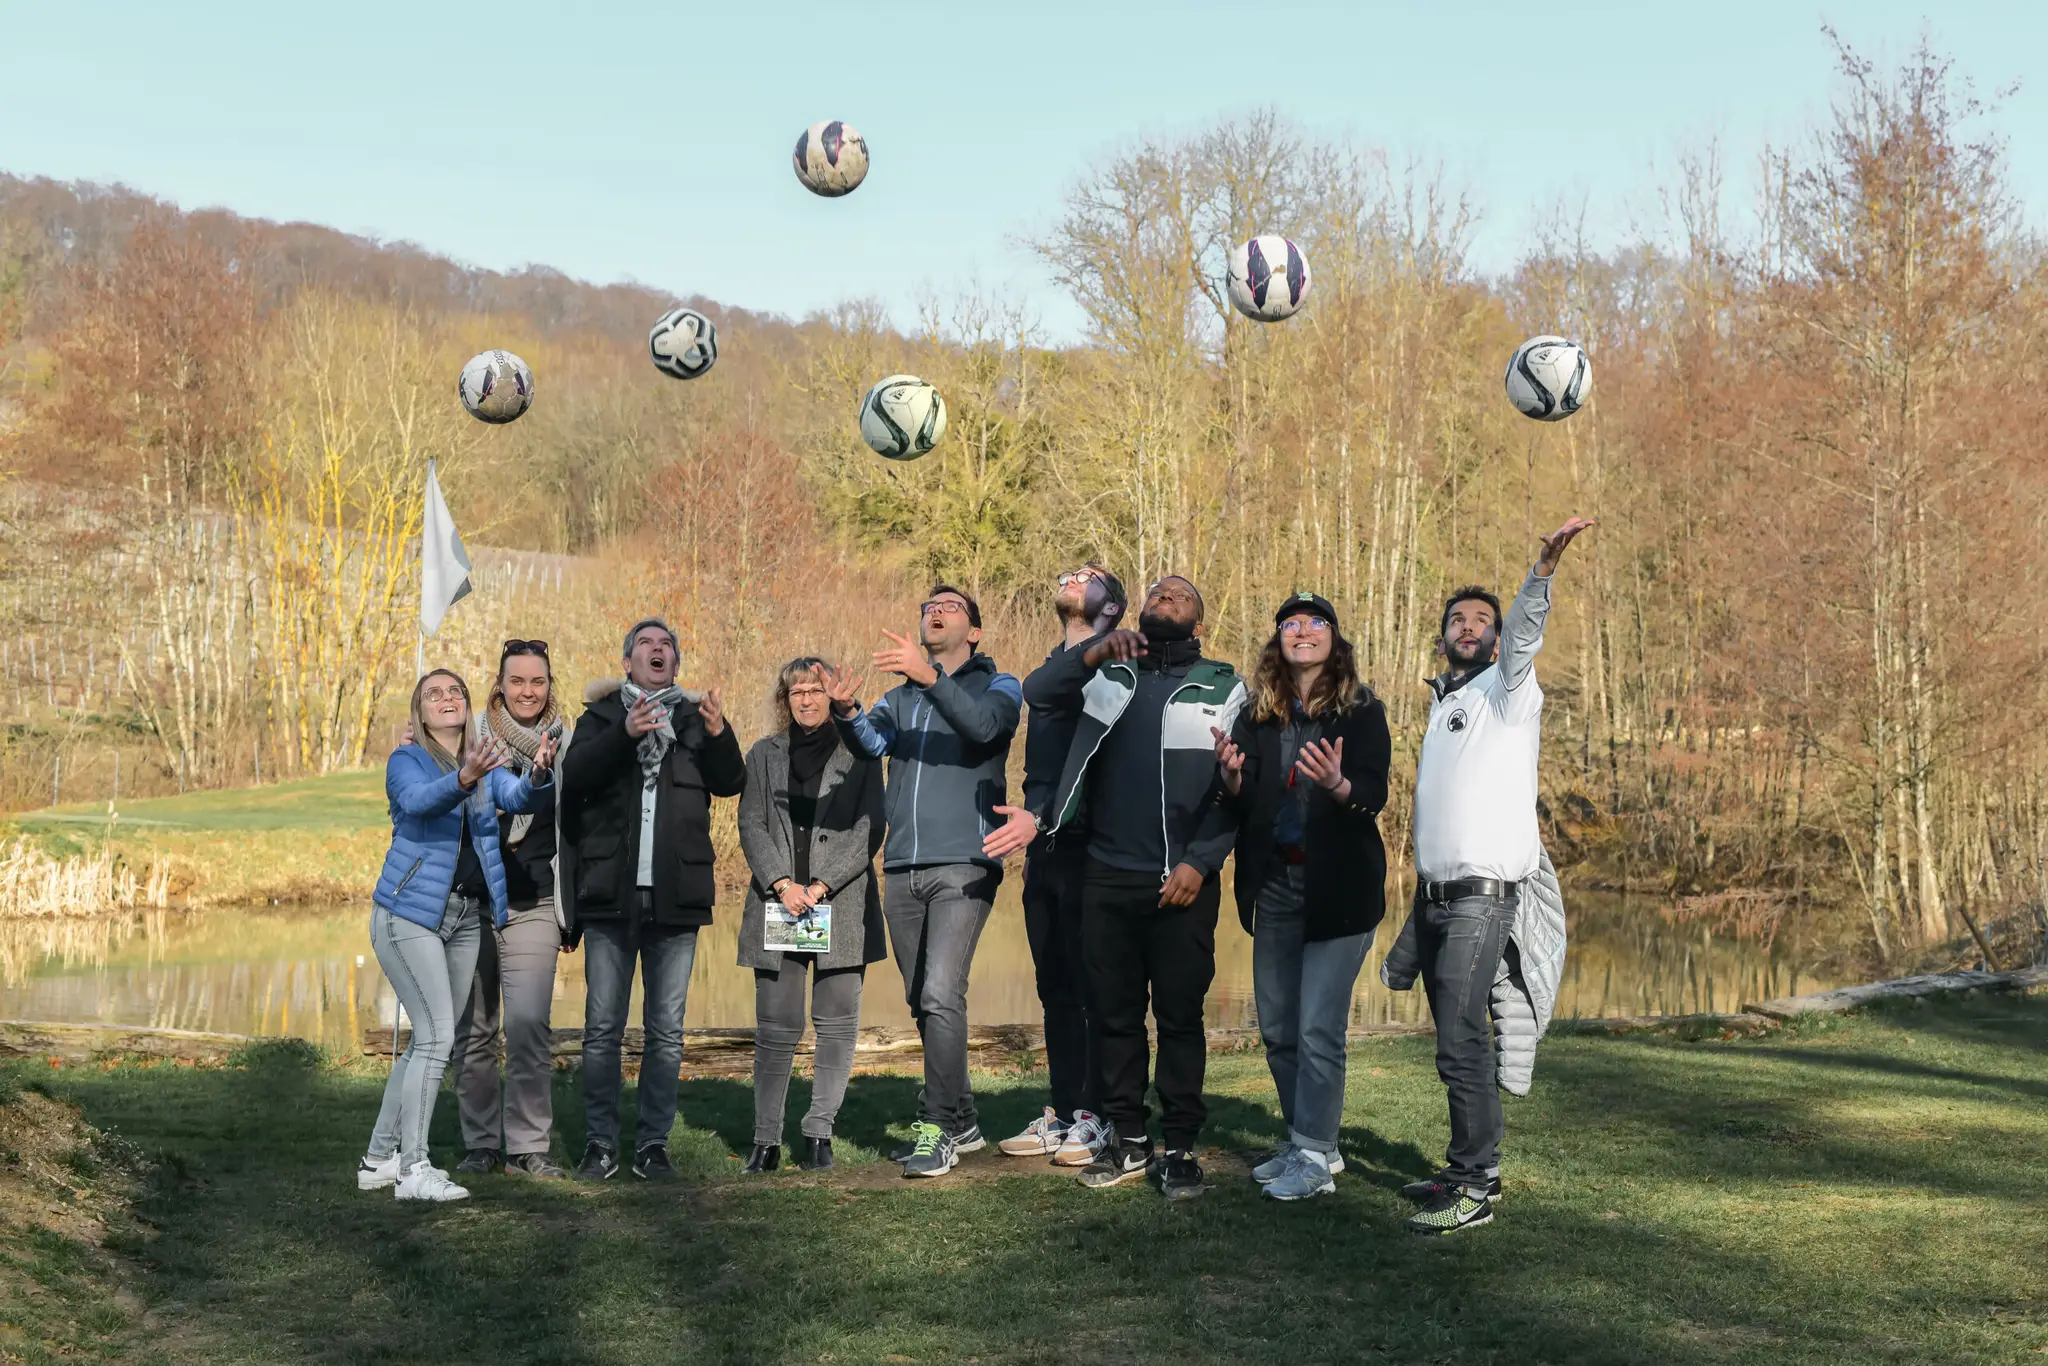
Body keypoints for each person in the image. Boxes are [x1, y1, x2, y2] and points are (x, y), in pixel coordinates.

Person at [1394, 516, 1593, 1235]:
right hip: (1437, 899)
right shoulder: (1447, 702)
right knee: (1452, 1036)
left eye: (1483, 619)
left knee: (1461, 1039)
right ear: (1443, 634)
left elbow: (1528, 635)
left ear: (1500, 638)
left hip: (1482, 902)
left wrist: (1540, 573)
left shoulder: (1511, 694)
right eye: (1458, 618)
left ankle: (1478, 1182)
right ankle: (1461, 1164)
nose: (1468, 626)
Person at [1030, 575, 1244, 1201]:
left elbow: (1236, 794)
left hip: (1183, 882)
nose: (1166, 600)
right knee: (1115, 1017)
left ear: (1198, 624)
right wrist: (1094, 651)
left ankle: (1178, 1147)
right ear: (1139, 614)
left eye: (1181, 597)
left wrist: (1200, 863)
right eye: (1157, 595)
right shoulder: (1106, 676)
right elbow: (1040, 693)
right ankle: (1128, 1139)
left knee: (1179, 1019)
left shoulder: (1225, 688)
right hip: (1106, 873)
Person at [825, 585, 1022, 1179]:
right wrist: (847, 712)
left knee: (940, 993)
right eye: (928, 607)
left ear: (976, 632)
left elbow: (985, 730)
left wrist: (931, 679)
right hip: (903, 866)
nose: (935, 613)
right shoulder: (899, 696)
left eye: (950, 608)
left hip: (965, 861)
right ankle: (961, 1119)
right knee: (923, 1001)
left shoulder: (1000, 685)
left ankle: (935, 1127)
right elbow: (871, 744)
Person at [1214, 593, 1391, 1201]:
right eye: (1291, 624)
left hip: (1340, 890)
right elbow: (1243, 799)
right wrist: (1233, 778)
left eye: (1315, 623)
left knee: (1319, 1027)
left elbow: (1373, 794)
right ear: (1278, 642)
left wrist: (1340, 786)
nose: (1303, 631)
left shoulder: (1363, 712)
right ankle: (1307, 1140)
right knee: (1280, 1028)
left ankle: (1314, 1159)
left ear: (1334, 640)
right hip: (1277, 885)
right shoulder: (1260, 714)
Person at [356, 669, 554, 1203]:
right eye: (434, 694)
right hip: (410, 916)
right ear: (419, 713)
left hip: (468, 918)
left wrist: (536, 775)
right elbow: (419, 802)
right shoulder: (406, 761)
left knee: (426, 1039)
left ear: (468, 705)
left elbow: (519, 798)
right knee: (440, 1036)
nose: (446, 699)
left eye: (455, 693)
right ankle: (413, 1169)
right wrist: (463, 779)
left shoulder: (486, 759)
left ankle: (378, 1158)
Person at [558, 618, 743, 1183]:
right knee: (601, 1028)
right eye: (646, 645)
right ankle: (600, 1144)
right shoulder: (601, 719)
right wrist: (626, 734)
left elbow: (731, 780)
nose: (657, 651)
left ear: (676, 664)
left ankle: (653, 1146)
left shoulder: (694, 719)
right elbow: (576, 774)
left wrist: (718, 733)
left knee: (666, 1031)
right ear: (627, 662)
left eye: (666, 646)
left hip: (676, 897)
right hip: (609, 895)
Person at [983, 563, 1126, 1167]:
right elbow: (1042, 690)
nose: (1071, 577)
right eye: (1067, 572)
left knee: (1097, 989)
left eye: (1088, 575)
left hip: (1093, 843)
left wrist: (1042, 814)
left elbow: (1099, 764)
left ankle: (1103, 1116)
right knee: (1055, 987)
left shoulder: (1118, 667)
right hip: (1042, 846)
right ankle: (1067, 1112)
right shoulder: (1054, 664)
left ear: (1112, 608)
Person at [735, 657, 886, 1174]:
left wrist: (821, 885)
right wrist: (783, 884)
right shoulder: (762, 755)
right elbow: (751, 824)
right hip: (777, 903)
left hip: (840, 904)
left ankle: (819, 1133)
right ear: (785, 698)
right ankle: (765, 1140)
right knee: (777, 1026)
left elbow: (871, 829)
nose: (805, 699)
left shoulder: (861, 753)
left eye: (814, 690)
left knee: (837, 1023)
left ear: (831, 695)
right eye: (796, 690)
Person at [448, 640, 571, 1180]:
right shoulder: (466, 740)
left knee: (526, 1028)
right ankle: (481, 1144)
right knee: (474, 1031)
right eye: (517, 681)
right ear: (499, 685)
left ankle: (527, 1147)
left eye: (537, 681)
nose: (527, 691)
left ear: (549, 685)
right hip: (471, 902)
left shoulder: (566, 741)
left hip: (535, 900)